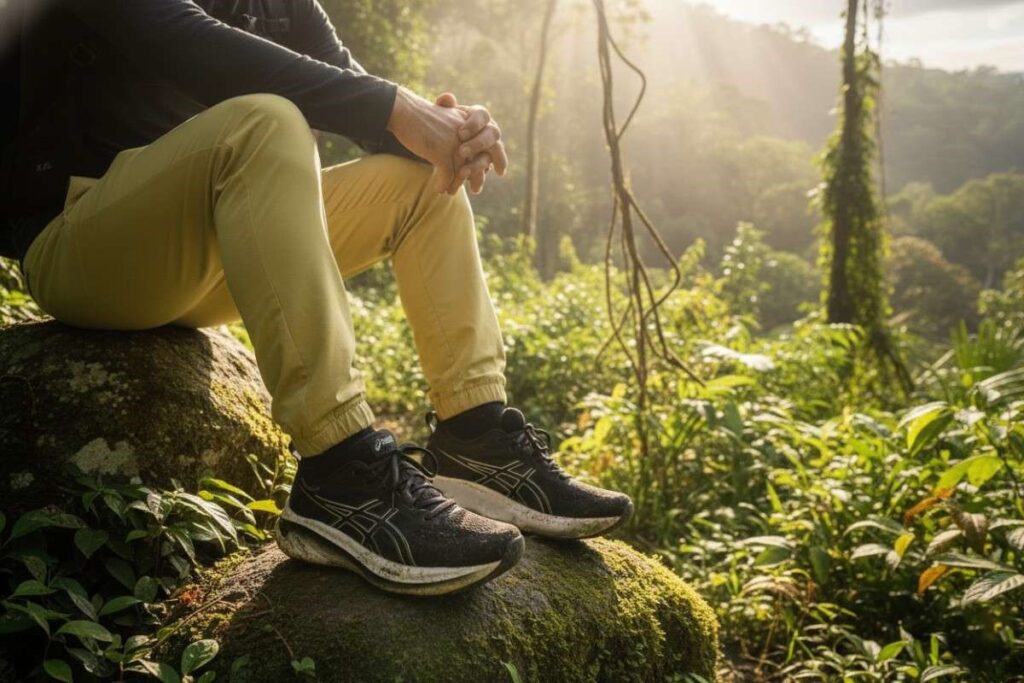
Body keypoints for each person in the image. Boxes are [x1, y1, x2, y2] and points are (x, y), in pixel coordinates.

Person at [2, 0, 632, 596]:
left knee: (419, 180)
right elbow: (183, 41)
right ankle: (338, 472)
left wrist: (451, 132)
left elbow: (368, 111)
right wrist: (396, 107)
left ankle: (476, 439)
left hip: (207, 257)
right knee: (267, 121)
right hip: (81, 242)